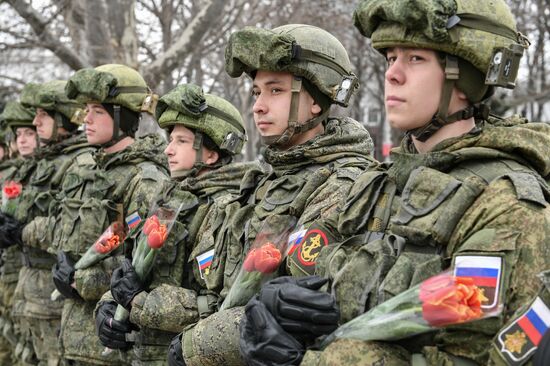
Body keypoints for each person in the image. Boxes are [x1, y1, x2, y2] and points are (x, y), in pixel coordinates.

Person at [239, 0, 550, 365]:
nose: (393, 74)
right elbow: (320, 282)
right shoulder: (375, 186)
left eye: (415, 59)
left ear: (465, 75)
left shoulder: (507, 206)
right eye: (390, 59)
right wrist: (280, 307)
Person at [167, 24, 377, 366]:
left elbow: (292, 311)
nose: (259, 107)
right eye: (256, 92)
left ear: (316, 100)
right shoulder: (259, 182)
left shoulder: (342, 183)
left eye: (275, 91)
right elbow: (212, 293)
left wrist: (193, 346)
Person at [95, 83, 263, 365]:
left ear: (211, 153)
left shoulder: (231, 211)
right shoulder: (167, 202)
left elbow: (222, 306)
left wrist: (141, 303)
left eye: (181, 141)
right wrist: (108, 305)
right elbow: (130, 273)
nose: (168, 150)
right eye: (170, 140)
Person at [46, 63, 169, 365]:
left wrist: (80, 280)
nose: (85, 119)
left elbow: (145, 270)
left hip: (110, 346)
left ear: (122, 117)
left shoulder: (145, 180)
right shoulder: (84, 170)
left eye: (97, 111)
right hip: (72, 337)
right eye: (86, 109)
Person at [6, 80, 91, 366]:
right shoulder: (46, 161)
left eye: (43, 116)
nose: (35, 121)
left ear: (63, 118)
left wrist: (21, 231)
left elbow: (71, 226)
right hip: (31, 286)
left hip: (53, 290)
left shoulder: (80, 162)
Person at [0, 100, 38, 365]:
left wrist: (18, 230)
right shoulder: (18, 173)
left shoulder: (29, 172)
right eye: (19, 135)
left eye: (29, 133)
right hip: (15, 272)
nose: (22, 141)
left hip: (29, 274)